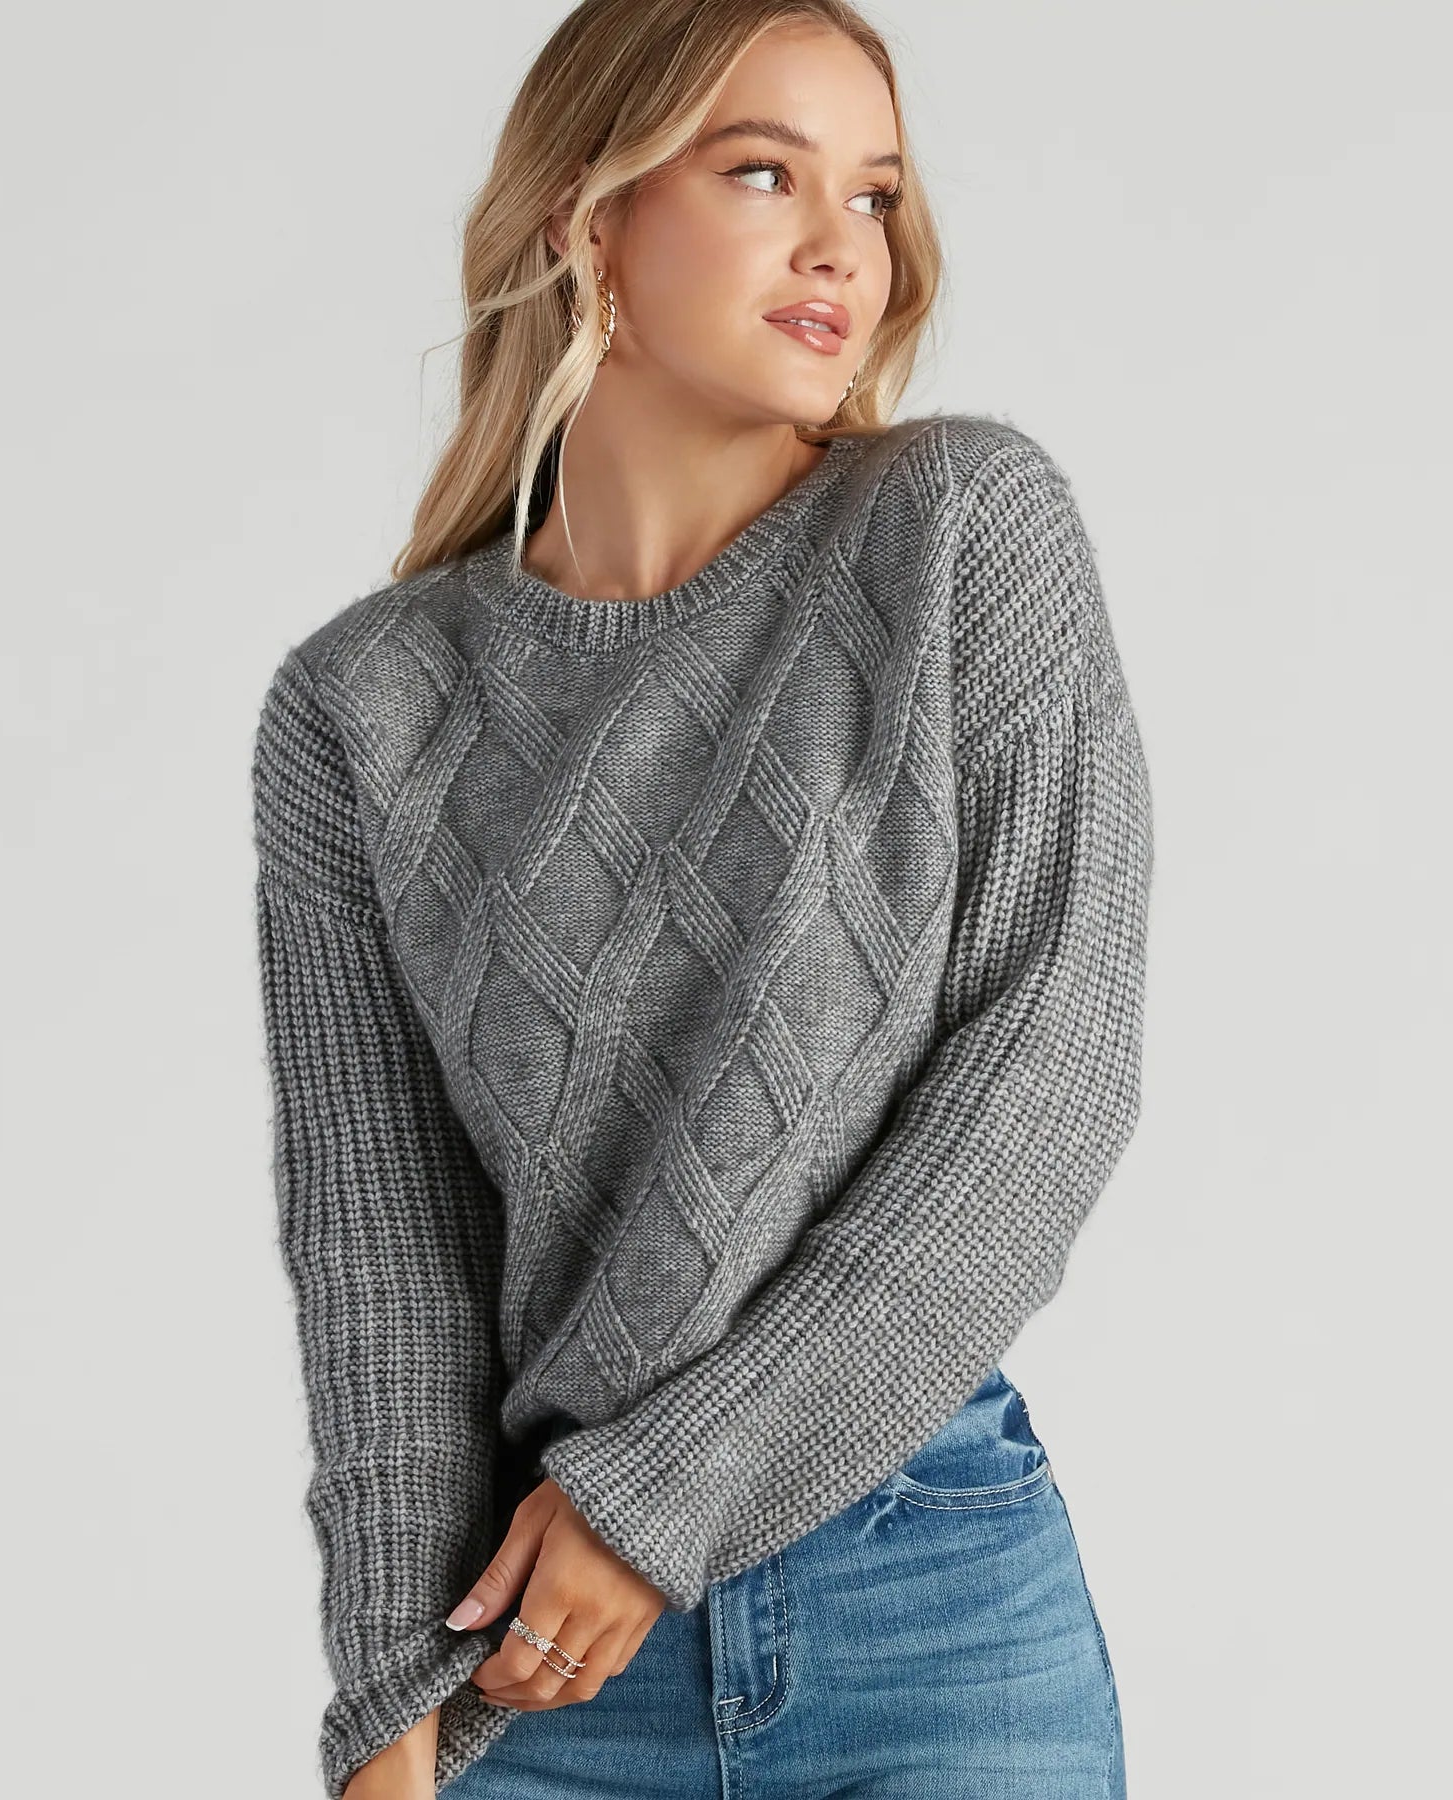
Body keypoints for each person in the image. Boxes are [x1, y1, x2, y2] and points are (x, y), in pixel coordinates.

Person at [250, 2, 1153, 1796]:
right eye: (762, 174)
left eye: (872, 194)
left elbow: (1046, 1080)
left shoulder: (963, 529)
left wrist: (653, 1502)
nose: (842, 247)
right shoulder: (363, 706)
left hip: (928, 1608)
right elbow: (383, 1247)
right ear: (588, 220)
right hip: (534, 1667)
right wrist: (385, 1704)